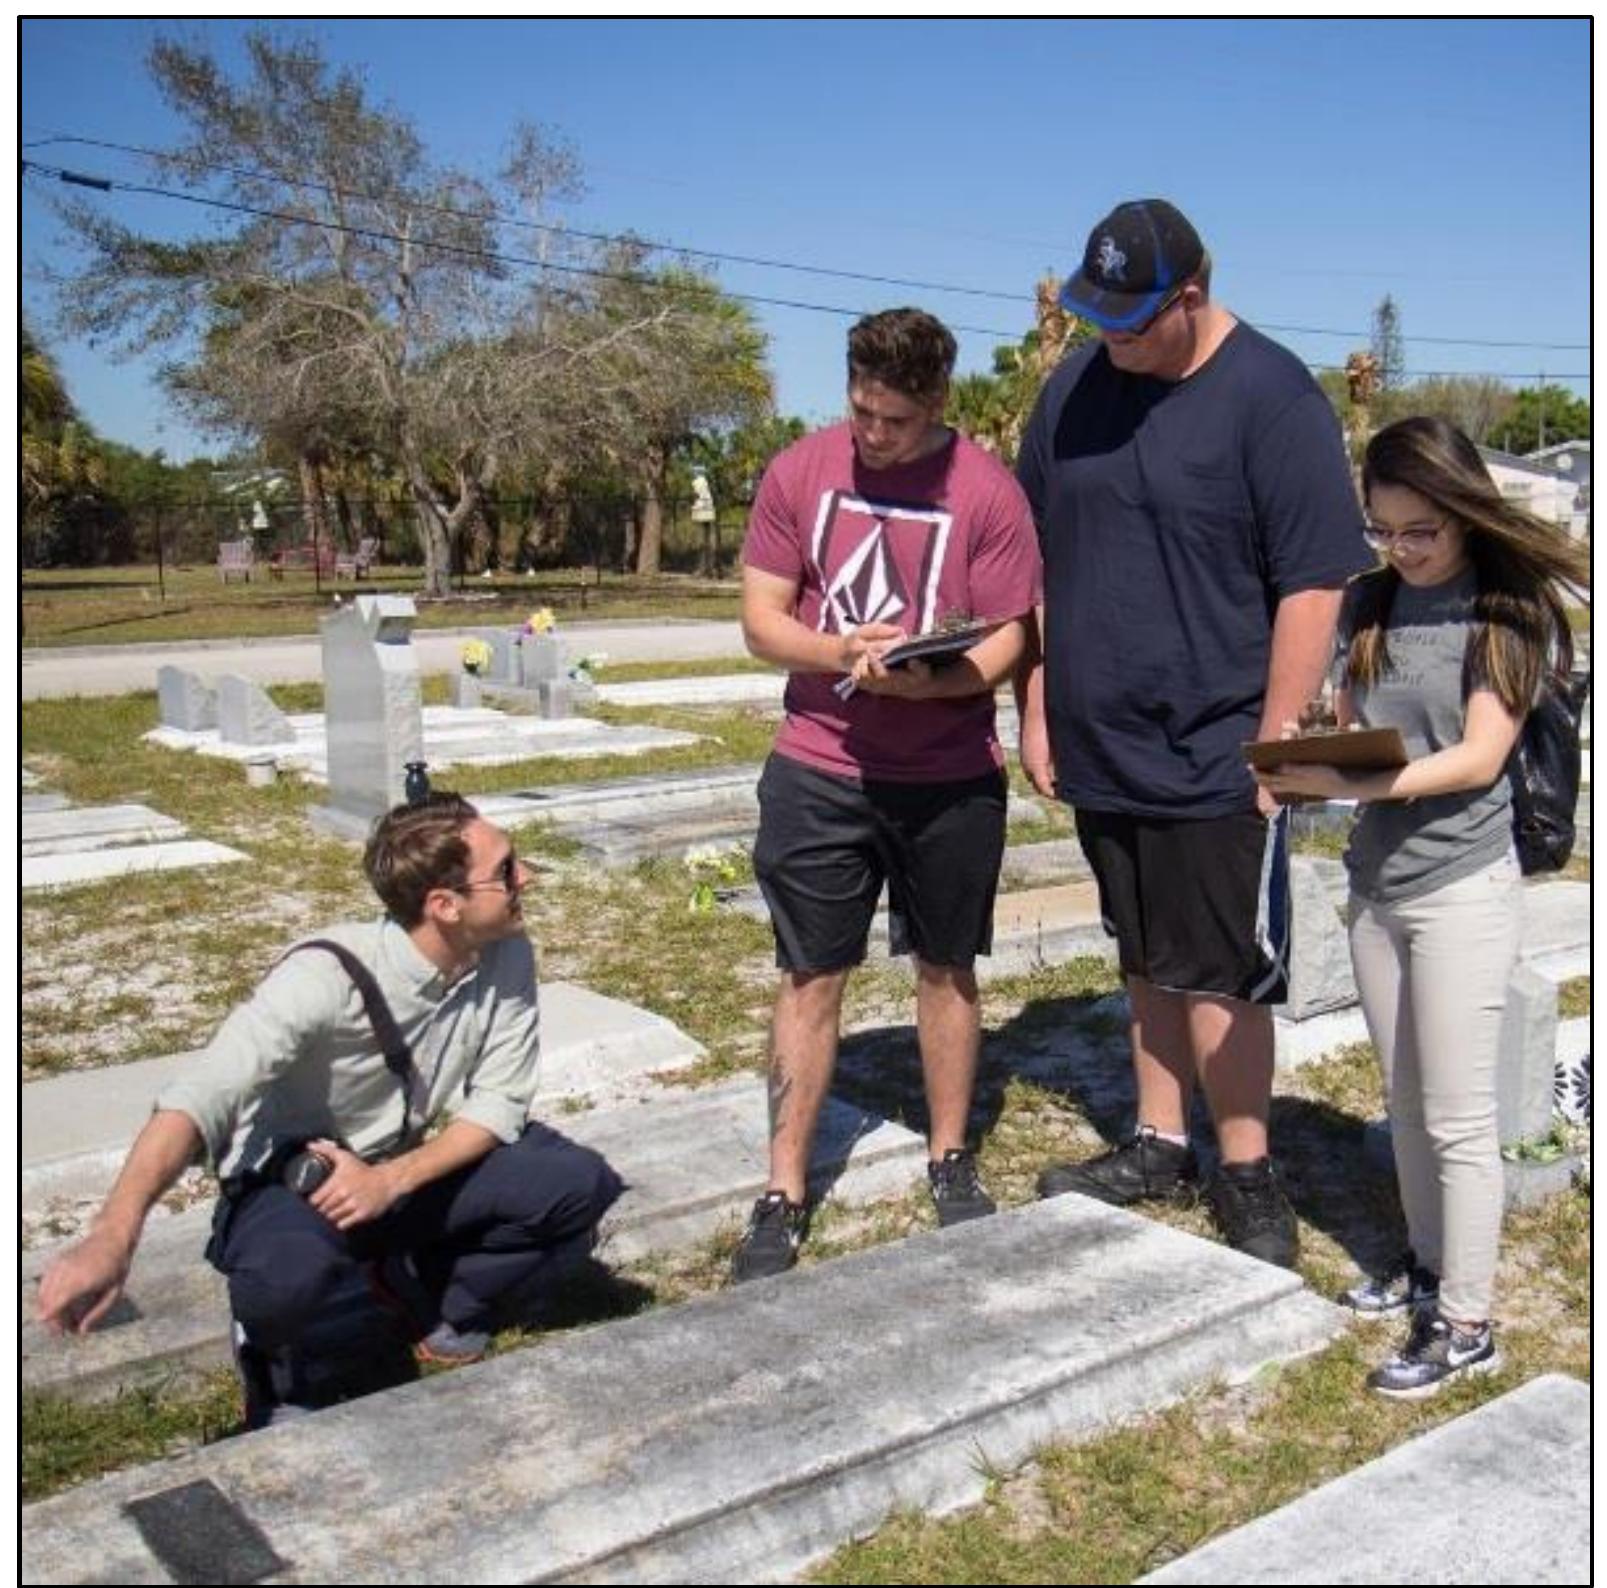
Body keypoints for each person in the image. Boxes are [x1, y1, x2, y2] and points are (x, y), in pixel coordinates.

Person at [1016, 199, 1372, 1266]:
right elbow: (1034, 555)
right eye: (1094, 316)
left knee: (1219, 969)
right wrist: (1034, 698)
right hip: (1100, 735)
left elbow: (1314, 581)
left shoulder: (1272, 398)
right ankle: (1160, 1142)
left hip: (1218, 741)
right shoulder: (1072, 389)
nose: (1107, 337)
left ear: (1190, 296)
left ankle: (1246, 1166)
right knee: (1142, 952)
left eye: (1127, 320)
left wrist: (1275, 741)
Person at [36, 792, 623, 1423]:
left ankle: (423, 1293)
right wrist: (113, 1235)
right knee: (286, 1283)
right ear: (444, 906)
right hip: (294, 1185)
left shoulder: (505, 951)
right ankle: (276, 1362)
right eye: (505, 870)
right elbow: (200, 1097)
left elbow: (500, 1100)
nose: (525, 876)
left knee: (574, 1183)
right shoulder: (323, 975)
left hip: (391, 1172)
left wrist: (388, 1180)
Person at [1255, 416, 1588, 1396]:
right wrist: (1314, 749)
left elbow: (1479, 757)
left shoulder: (1505, 612)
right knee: (1402, 1100)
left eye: (1419, 531)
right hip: (1375, 885)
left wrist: (1360, 783)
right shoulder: (1369, 601)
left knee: (1455, 1116)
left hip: (1460, 887)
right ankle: (1426, 1265)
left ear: (1462, 511)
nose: (1400, 549)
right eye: (1382, 529)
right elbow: (1354, 723)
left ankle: (1467, 1322)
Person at [733, 307, 1042, 1282]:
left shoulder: (987, 491)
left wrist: (930, 684)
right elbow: (760, 619)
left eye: (896, 421)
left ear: (938, 402)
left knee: (946, 967)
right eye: (861, 411)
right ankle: (783, 1188)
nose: (873, 434)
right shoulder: (799, 471)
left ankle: (948, 1155)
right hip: (818, 767)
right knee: (808, 974)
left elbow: (1009, 635)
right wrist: (839, 652)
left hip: (948, 778)